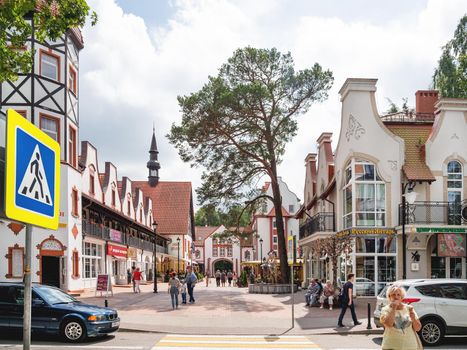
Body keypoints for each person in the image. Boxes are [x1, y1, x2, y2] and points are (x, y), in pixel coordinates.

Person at [380, 284, 422, 350]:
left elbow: (418, 328)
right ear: (389, 297)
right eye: (393, 295)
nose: (396, 297)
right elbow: (388, 324)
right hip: (391, 346)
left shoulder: (409, 308)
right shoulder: (385, 309)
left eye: (398, 295)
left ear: (402, 297)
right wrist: (393, 308)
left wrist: (413, 318)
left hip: (410, 346)